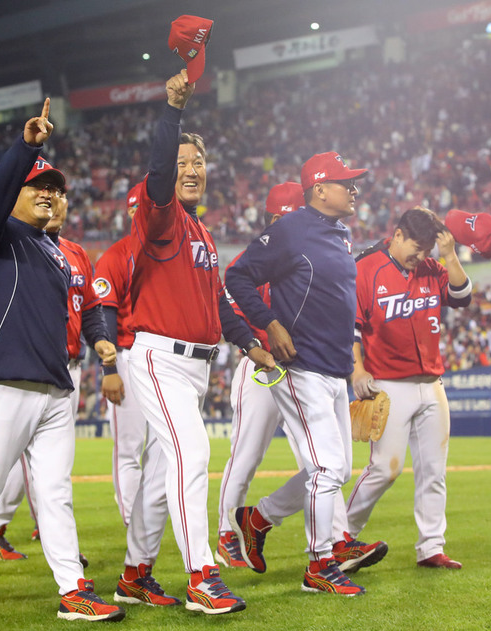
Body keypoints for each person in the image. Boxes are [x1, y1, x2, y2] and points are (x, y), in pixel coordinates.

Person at [0, 100, 123, 622]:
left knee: (56, 493)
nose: (48, 195)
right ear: (15, 193)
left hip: (58, 388)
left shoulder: (58, 250)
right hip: (8, 381)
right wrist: (27, 147)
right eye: (38, 185)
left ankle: (72, 589)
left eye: (55, 189)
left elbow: (82, 311)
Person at [224, 152, 386, 596]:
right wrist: (269, 322)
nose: (354, 189)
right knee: (325, 469)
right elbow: (236, 277)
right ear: (319, 188)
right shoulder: (290, 229)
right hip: (301, 366)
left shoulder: (341, 232)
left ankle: (257, 519)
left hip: (333, 369)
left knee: (338, 469)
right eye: (345, 182)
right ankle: (319, 565)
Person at [121, 69, 245, 615]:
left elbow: (217, 303)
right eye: (181, 163)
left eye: (198, 163)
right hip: (159, 357)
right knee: (193, 451)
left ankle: (134, 573)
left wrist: (251, 341)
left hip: (197, 365)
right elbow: (156, 169)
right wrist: (172, 112)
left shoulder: (202, 232)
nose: (190, 170)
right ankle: (202, 574)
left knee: (158, 475)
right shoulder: (163, 218)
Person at [0, 177, 112, 563]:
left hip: (65, 371)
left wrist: (98, 342)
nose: (54, 200)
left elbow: (91, 308)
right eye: (44, 191)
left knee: (51, 479)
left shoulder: (74, 254)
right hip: (14, 370)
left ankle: (67, 569)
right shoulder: (5, 242)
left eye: (61, 194)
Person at [344, 206, 471, 570]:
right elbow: (352, 328)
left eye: (427, 251)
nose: (420, 258)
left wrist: (449, 256)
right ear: (397, 235)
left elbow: (462, 298)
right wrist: (357, 371)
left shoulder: (432, 266)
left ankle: (431, 546)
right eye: (417, 249)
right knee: (385, 468)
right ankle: (340, 536)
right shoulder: (366, 268)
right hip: (389, 384)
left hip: (432, 384)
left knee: (434, 469)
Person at [214, 182, 304, 567]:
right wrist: (254, 345)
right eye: (279, 220)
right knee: (246, 455)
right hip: (260, 368)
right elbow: (229, 312)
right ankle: (224, 533)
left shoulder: (308, 257)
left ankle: (328, 541)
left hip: (304, 370)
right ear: (269, 220)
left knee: (322, 463)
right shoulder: (253, 262)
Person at [93, 185, 143, 529]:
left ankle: (151, 518)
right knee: (129, 447)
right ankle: (132, 521)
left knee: (168, 450)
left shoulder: (172, 253)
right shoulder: (116, 255)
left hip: (166, 359)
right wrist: (109, 368)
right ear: (130, 212)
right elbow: (103, 318)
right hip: (127, 356)